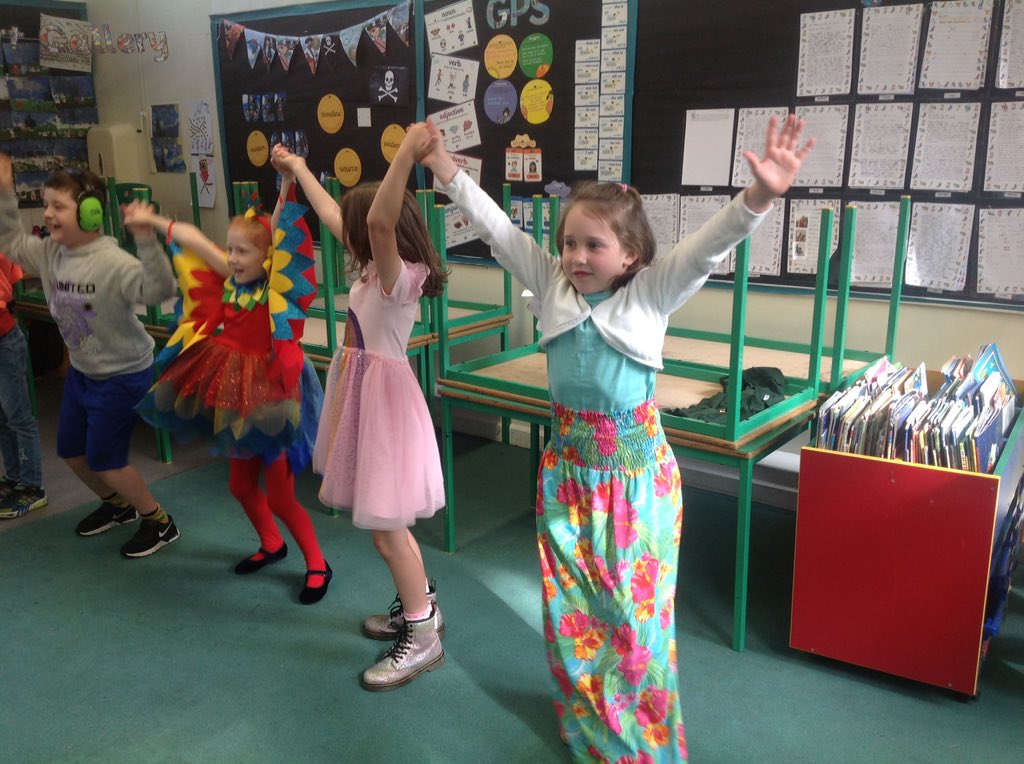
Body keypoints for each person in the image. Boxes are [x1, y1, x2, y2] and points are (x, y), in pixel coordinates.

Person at [418, 114, 814, 761]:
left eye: (593, 246)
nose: (576, 256)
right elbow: (496, 228)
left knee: (633, 621)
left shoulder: (650, 294)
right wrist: (444, 169)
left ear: (630, 254)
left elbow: (706, 247)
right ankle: (589, 726)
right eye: (569, 243)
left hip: (635, 484)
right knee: (573, 613)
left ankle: (642, 741)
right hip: (567, 476)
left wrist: (759, 197)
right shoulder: (552, 283)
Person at [271, 125, 448, 689]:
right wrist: (299, 169)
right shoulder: (375, 268)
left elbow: (375, 223)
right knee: (391, 523)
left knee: (385, 531)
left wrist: (407, 154)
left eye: (361, 227)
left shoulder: (400, 278)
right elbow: (337, 215)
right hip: (369, 403)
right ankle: (422, 605)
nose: (348, 235)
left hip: (387, 413)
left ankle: (422, 636)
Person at [125, 178, 331, 605]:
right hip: (236, 392)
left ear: (267, 256)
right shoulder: (231, 279)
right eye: (230, 249)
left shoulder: (275, 289)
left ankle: (317, 563)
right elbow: (192, 238)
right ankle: (272, 543)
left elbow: (282, 230)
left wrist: (287, 182)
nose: (232, 258)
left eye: (242, 251)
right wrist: (153, 221)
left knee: (281, 496)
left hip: (273, 398)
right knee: (240, 486)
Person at [0, 156, 179, 557]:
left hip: (123, 373)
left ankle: (159, 521)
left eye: (58, 206)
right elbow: (10, 240)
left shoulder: (113, 262)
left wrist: (146, 239)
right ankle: (117, 505)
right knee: (71, 451)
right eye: (45, 204)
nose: (47, 214)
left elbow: (159, 290)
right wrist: (5, 192)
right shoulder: (49, 253)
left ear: (90, 212)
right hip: (84, 372)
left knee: (105, 460)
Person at [0, 250, 47, 519]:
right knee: (3, 417)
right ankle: (14, 479)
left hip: (5, 342)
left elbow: (7, 289)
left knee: (18, 418)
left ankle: (32, 487)